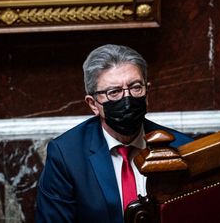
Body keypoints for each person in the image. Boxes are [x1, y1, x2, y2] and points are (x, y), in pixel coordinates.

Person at [35, 44, 193, 223]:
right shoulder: (67, 156)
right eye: (114, 92)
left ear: (147, 94)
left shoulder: (181, 148)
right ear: (93, 104)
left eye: (135, 87)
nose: (127, 99)